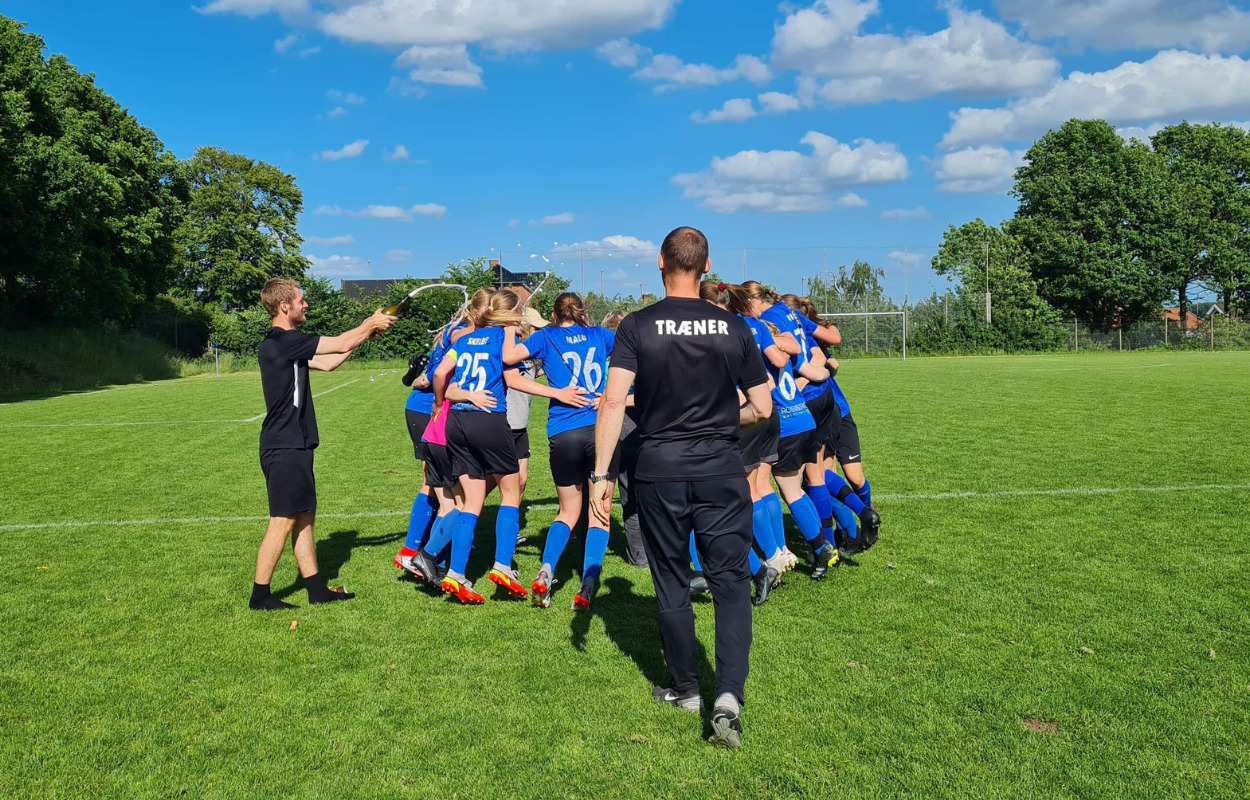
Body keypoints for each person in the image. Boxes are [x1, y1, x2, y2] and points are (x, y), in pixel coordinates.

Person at [591, 227, 772, 749]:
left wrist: (602, 475)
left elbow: (611, 402)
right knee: (730, 580)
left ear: (659, 262)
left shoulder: (636, 326)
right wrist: (719, 420)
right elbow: (762, 408)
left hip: (658, 468)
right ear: (707, 265)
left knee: (671, 579)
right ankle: (728, 697)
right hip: (720, 466)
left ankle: (687, 688)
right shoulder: (734, 326)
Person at [249, 278, 395, 611]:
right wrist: (368, 323)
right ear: (284, 306)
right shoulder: (284, 342)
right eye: (301, 300)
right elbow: (340, 340)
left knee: (304, 516)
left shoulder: (288, 346)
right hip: (284, 446)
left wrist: (364, 336)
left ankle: (316, 590)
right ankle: (260, 596)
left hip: (295, 444)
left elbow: (331, 360)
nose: (306, 305)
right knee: (283, 519)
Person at [504, 292, 616, 610]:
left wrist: (512, 321)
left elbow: (510, 358)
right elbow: (637, 353)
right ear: (582, 313)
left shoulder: (546, 336)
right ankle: (587, 584)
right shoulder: (600, 334)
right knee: (600, 512)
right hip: (600, 431)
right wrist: (607, 393)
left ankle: (546, 570)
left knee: (568, 511)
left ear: (554, 315)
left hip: (563, 432)